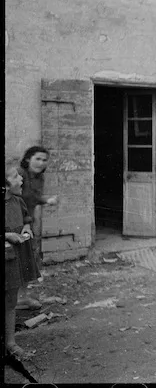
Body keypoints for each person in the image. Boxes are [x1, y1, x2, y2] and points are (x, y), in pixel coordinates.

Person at [5, 158, 40, 360]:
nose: (21, 180)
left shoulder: (18, 201)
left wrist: (26, 228)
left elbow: (27, 218)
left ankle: (10, 342)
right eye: (16, 177)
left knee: (10, 299)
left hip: (14, 258)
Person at [17, 146, 59, 311]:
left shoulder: (38, 177)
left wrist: (46, 200)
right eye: (37, 159)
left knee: (26, 260)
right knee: (18, 260)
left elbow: (32, 197)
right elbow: (16, 200)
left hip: (27, 223)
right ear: (28, 159)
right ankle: (17, 299)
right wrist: (26, 222)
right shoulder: (19, 175)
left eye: (44, 160)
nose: (41, 163)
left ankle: (21, 297)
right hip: (16, 223)